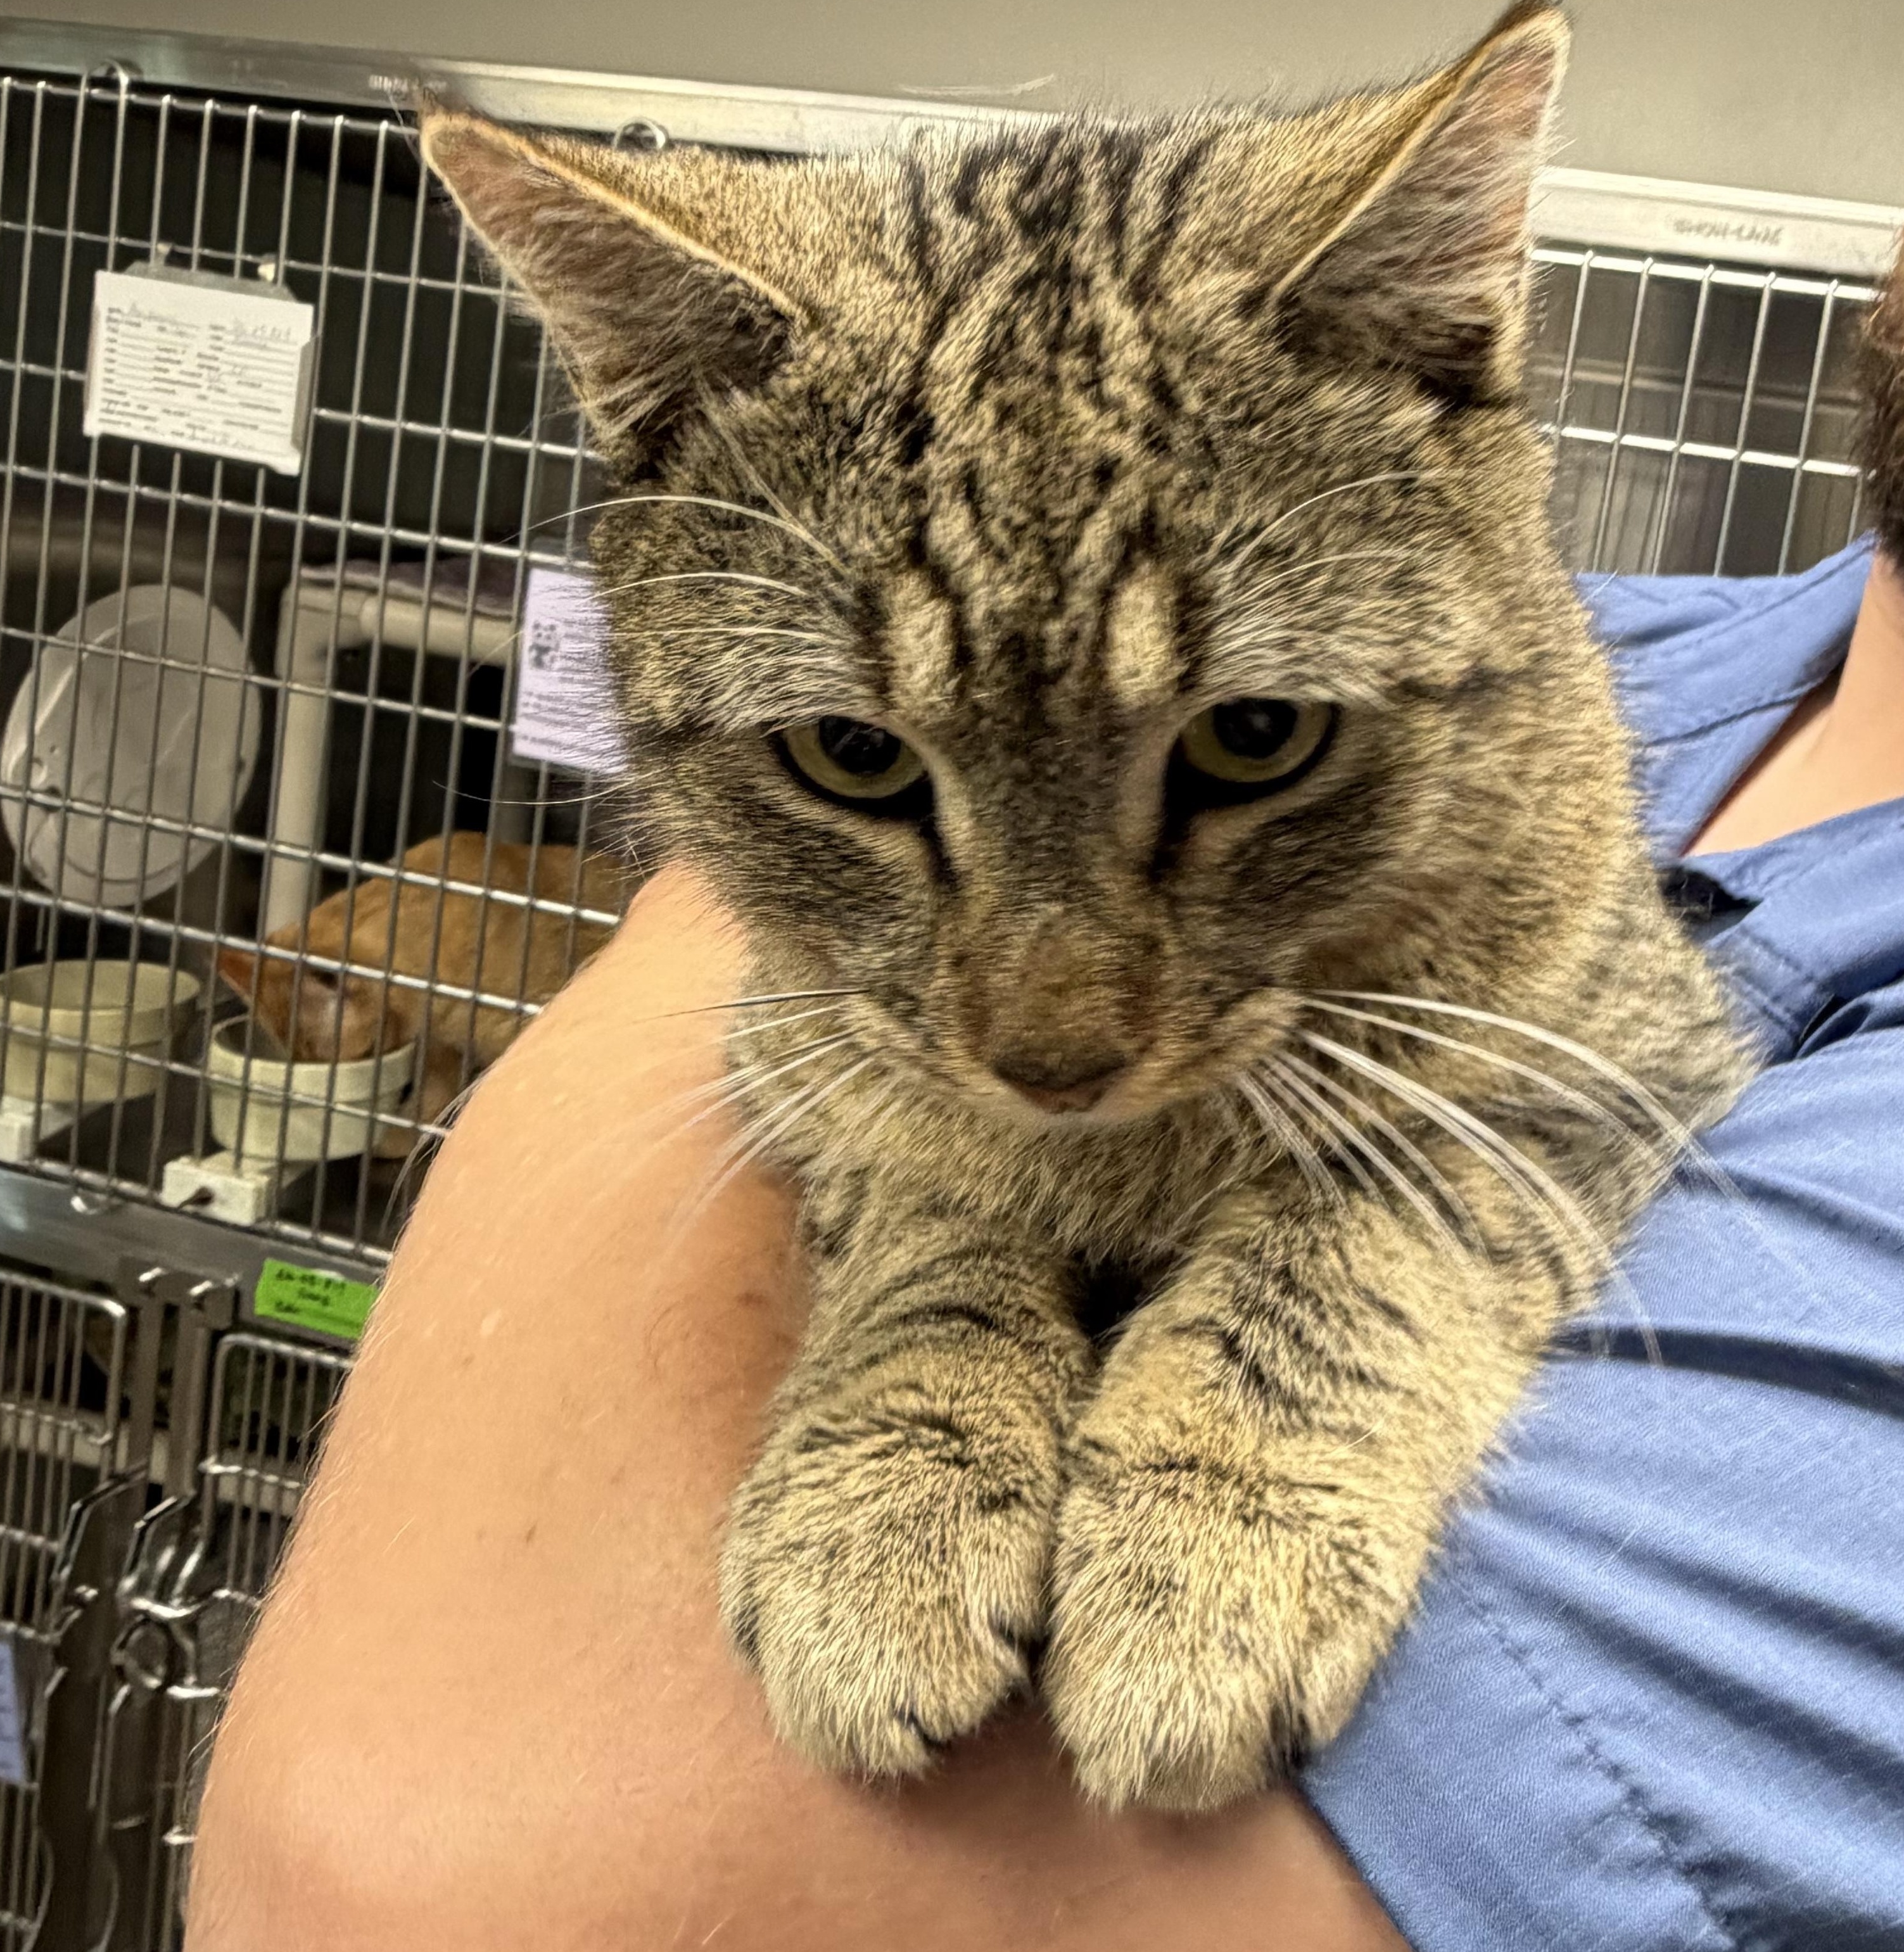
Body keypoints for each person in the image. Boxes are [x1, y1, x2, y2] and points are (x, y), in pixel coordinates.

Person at [183, 274, 1904, 1950]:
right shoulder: (1667, 633)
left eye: (1243, 735)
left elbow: (401, 1889)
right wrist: (931, 1305)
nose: (1048, 1029)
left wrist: (1304, 1342)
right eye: (860, 757)